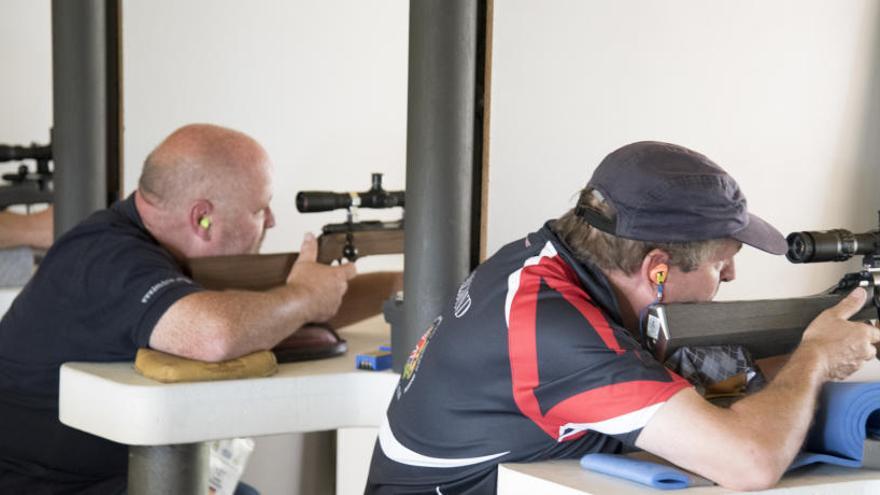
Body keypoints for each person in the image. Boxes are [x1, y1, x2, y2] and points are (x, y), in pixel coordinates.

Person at [365, 141, 880, 494]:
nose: (729, 278)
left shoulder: (546, 261)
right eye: (722, 262)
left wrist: (817, 351)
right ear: (657, 271)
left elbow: (690, 381)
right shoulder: (554, 331)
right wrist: (813, 358)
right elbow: (751, 462)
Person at [0, 124, 361, 493]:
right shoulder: (109, 257)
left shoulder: (153, 250)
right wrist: (301, 296)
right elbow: (214, 335)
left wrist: (396, 284)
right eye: (259, 209)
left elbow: (284, 308)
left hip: (109, 476)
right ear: (202, 218)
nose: (270, 220)